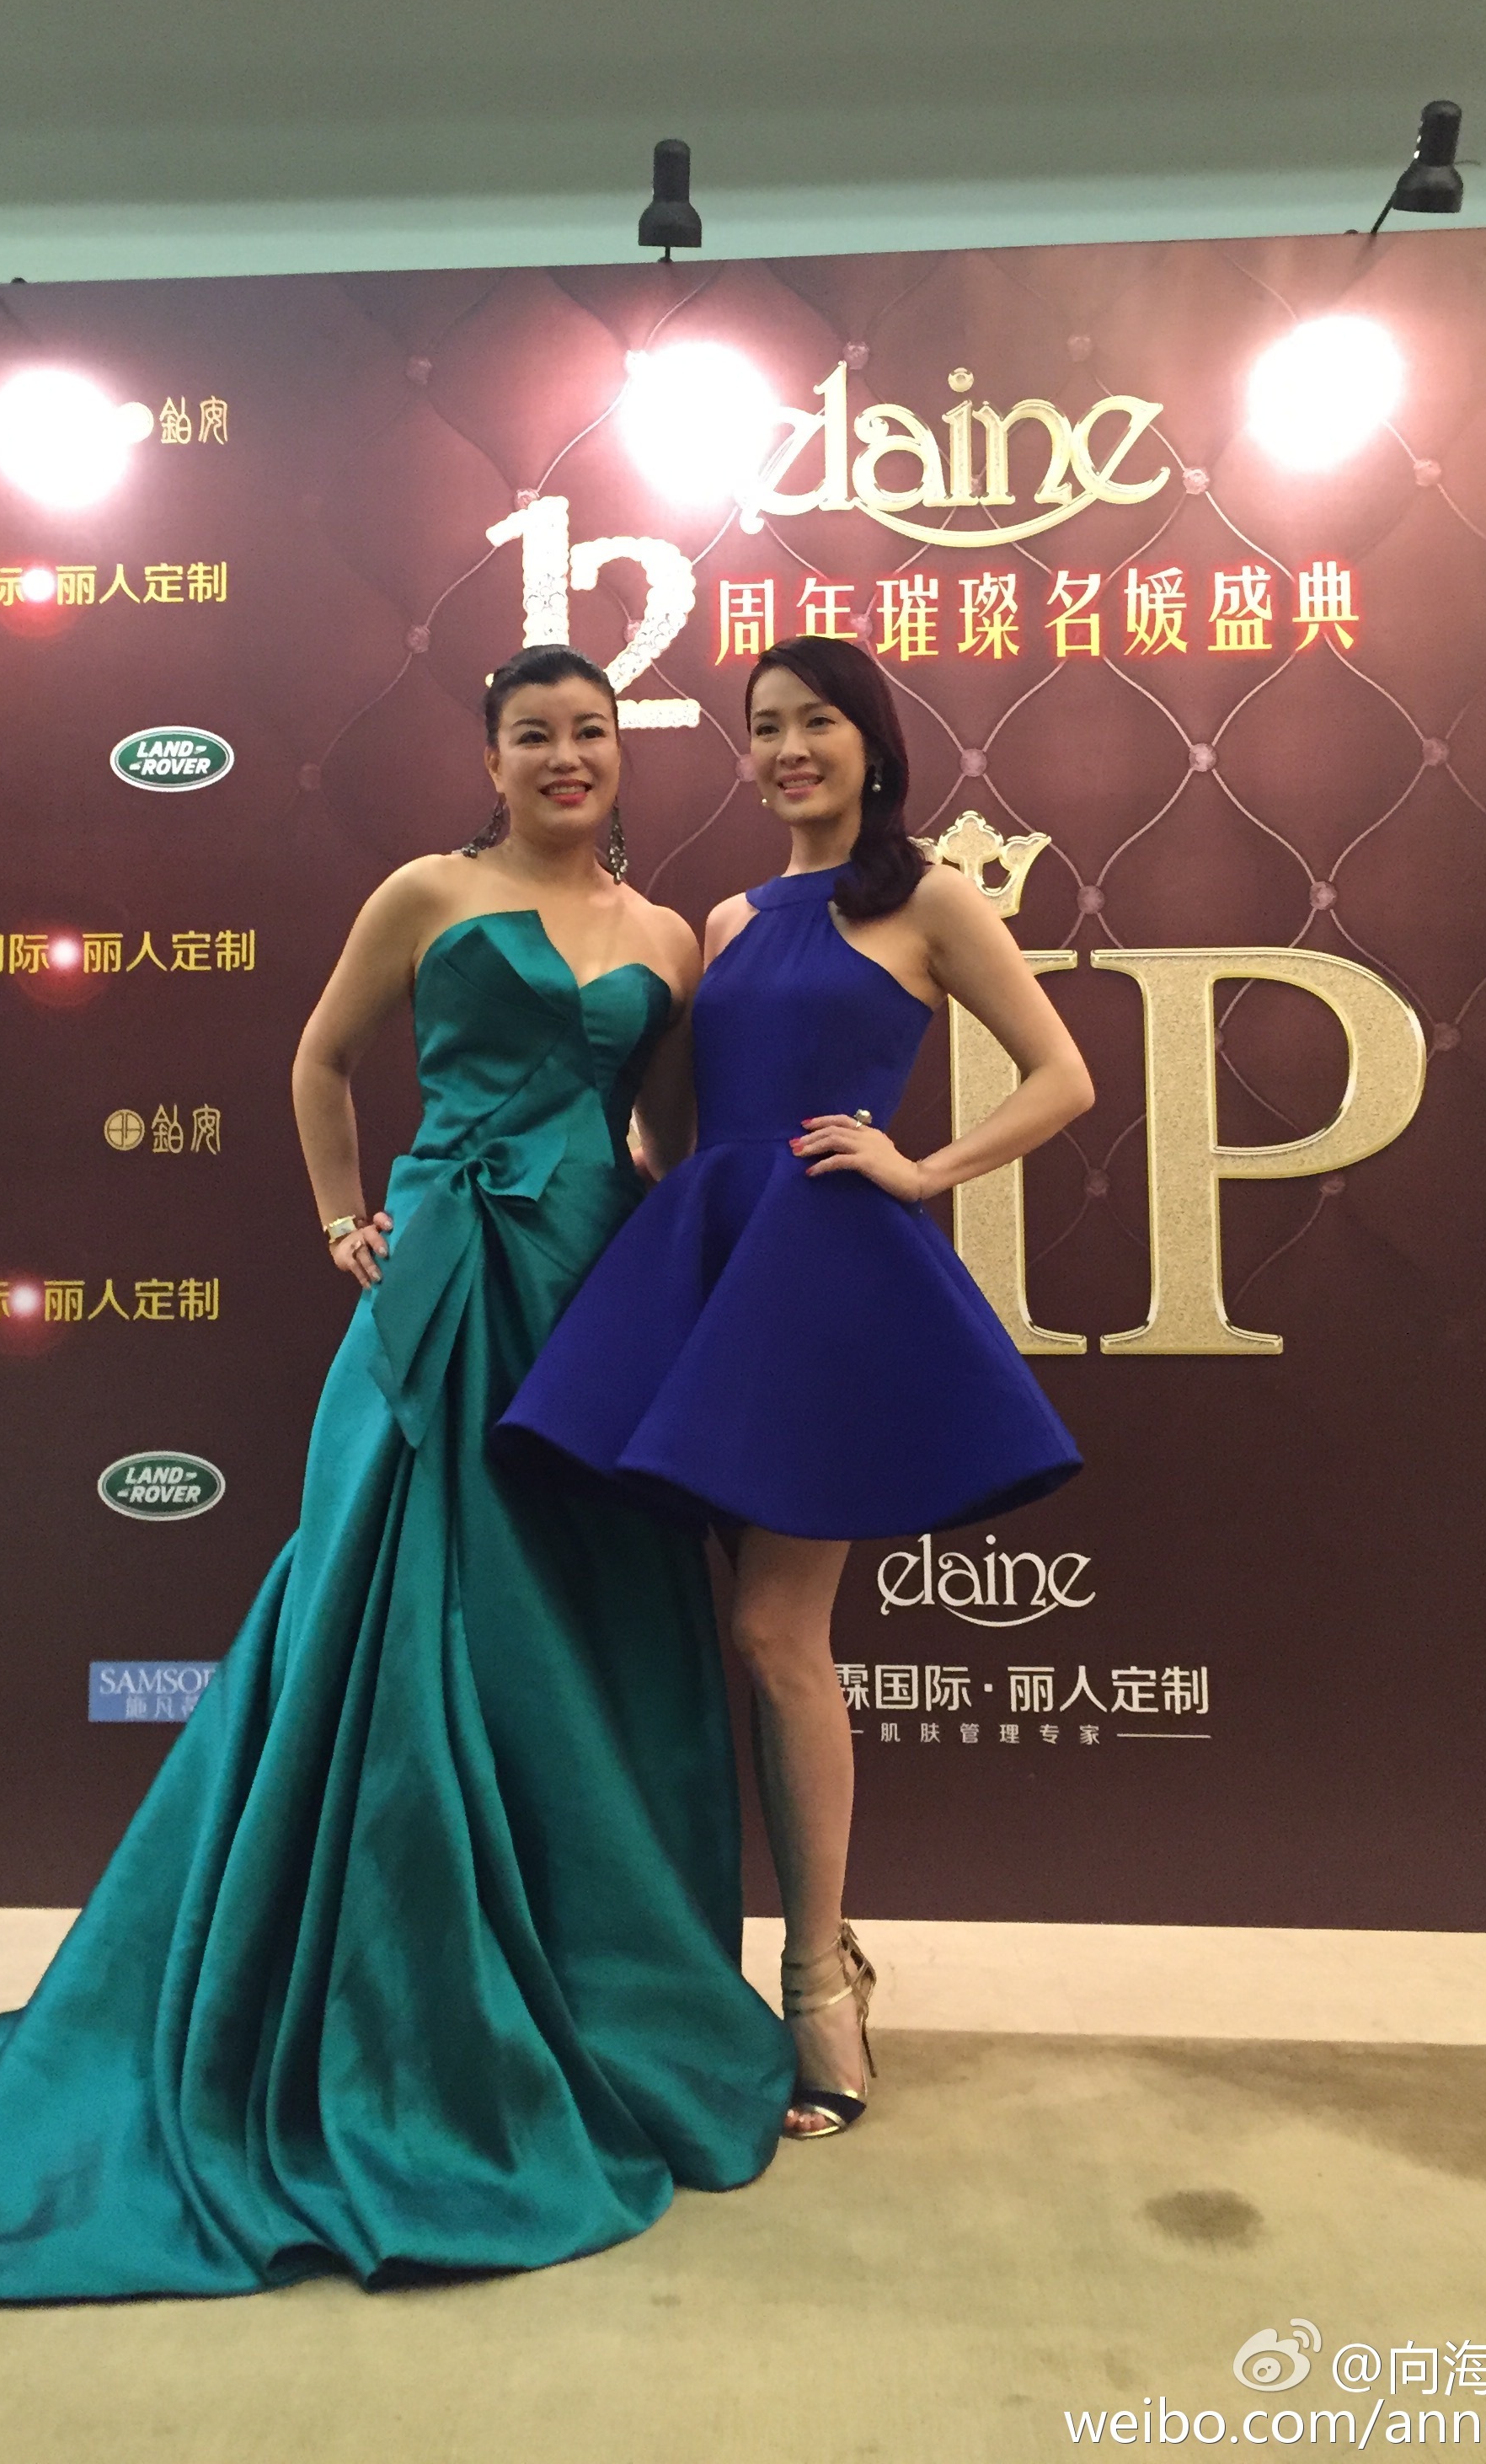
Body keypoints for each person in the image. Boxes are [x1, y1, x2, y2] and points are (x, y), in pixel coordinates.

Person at [0, 645, 792, 2301]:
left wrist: (693, 1274)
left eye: (590, 733)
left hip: (591, 1294)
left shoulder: (671, 936)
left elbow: (662, 1139)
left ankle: (598, 1981)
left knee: (593, 1626)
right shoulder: (427, 893)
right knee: (405, 1614)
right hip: (446, 1278)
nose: (566, 756)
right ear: (491, 757)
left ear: (623, 753)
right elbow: (320, 1057)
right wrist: (345, 1219)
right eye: (533, 735)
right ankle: (395, 2013)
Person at [500, 635, 1093, 2137]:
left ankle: (819, 1977)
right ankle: (669, 1967)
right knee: (693, 1625)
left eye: (816, 721)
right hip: (705, 1264)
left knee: (776, 1633)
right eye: (764, 727)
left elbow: (1063, 1077)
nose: (786, 750)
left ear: (872, 743)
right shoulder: (728, 916)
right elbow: (670, 1120)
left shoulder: (931, 897)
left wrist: (924, 1169)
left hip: (824, 1279)